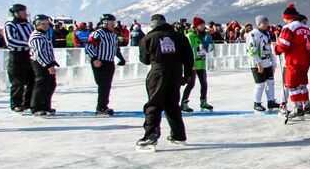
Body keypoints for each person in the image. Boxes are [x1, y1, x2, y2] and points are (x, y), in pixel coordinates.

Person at [137, 13, 195, 149]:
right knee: (172, 104)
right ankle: (178, 134)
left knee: (154, 104)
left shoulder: (149, 37)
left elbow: (144, 60)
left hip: (158, 72)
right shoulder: (180, 37)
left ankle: (151, 135)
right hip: (175, 73)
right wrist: (187, 75)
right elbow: (188, 58)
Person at [275, 4, 310, 117]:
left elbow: (284, 44)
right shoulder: (306, 28)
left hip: (293, 59)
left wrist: (277, 49)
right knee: (302, 84)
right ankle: (306, 105)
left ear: (287, 17)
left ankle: (297, 107)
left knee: (292, 84)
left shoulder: (289, 28)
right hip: (305, 60)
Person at [85, 13, 126, 115]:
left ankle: (103, 105)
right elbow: (89, 47)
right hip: (100, 62)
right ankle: (101, 107)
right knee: (103, 85)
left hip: (109, 62)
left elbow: (115, 48)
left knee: (107, 85)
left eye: (114, 23)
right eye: (111, 23)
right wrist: (95, 59)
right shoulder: (98, 33)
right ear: (104, 23)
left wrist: (120, 58)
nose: (113, 25)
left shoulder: (113, 35)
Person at [3, 4, 35, 113]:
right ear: (16, 13)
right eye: (23, 11)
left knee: (32, 79)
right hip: (16, 55)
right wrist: (29, 43)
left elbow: (33, 36)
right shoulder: (10, 25)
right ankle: (16, 104)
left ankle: (28, 102)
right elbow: (10, 41)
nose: (26, 13)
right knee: (18, 81)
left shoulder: (28, 24)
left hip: (28, 54)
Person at [28, 15, 60, 116]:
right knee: (41, 85)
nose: (46, 26)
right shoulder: (36, 36)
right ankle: (36, 107)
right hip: (40, 64)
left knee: (50, 85)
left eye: (47, 23)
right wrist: (48, 65)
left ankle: (45, 105)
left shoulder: (44, 35)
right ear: (37, 25)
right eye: (43, 24)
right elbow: (39, 53)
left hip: (47, 62)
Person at [181, 17, 214, 112]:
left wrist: (209, 41)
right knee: (191, 84)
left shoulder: (204, 36)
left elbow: (209, 50)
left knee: (204, 83)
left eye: (204, 25)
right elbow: (188, 50)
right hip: (193, 64)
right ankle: (184, 102)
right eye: (201, 25)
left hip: (201, 63)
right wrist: (191, 63)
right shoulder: (190, 36)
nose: (203, 27)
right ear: (196, 26)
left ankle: (203, 101)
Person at [247, 15, 280, 111]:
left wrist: (273, 63)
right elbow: (251, 50)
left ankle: (271, 101)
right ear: (258, 24)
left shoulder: (267, 34)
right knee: (260, 84)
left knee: (270, 82)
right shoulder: (253, 34)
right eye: (263, 23)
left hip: (267, 62)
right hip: (257, 63)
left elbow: (269, 49)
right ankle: (256, 103)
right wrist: (258, 63)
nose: (265, 24)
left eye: (266, 23)